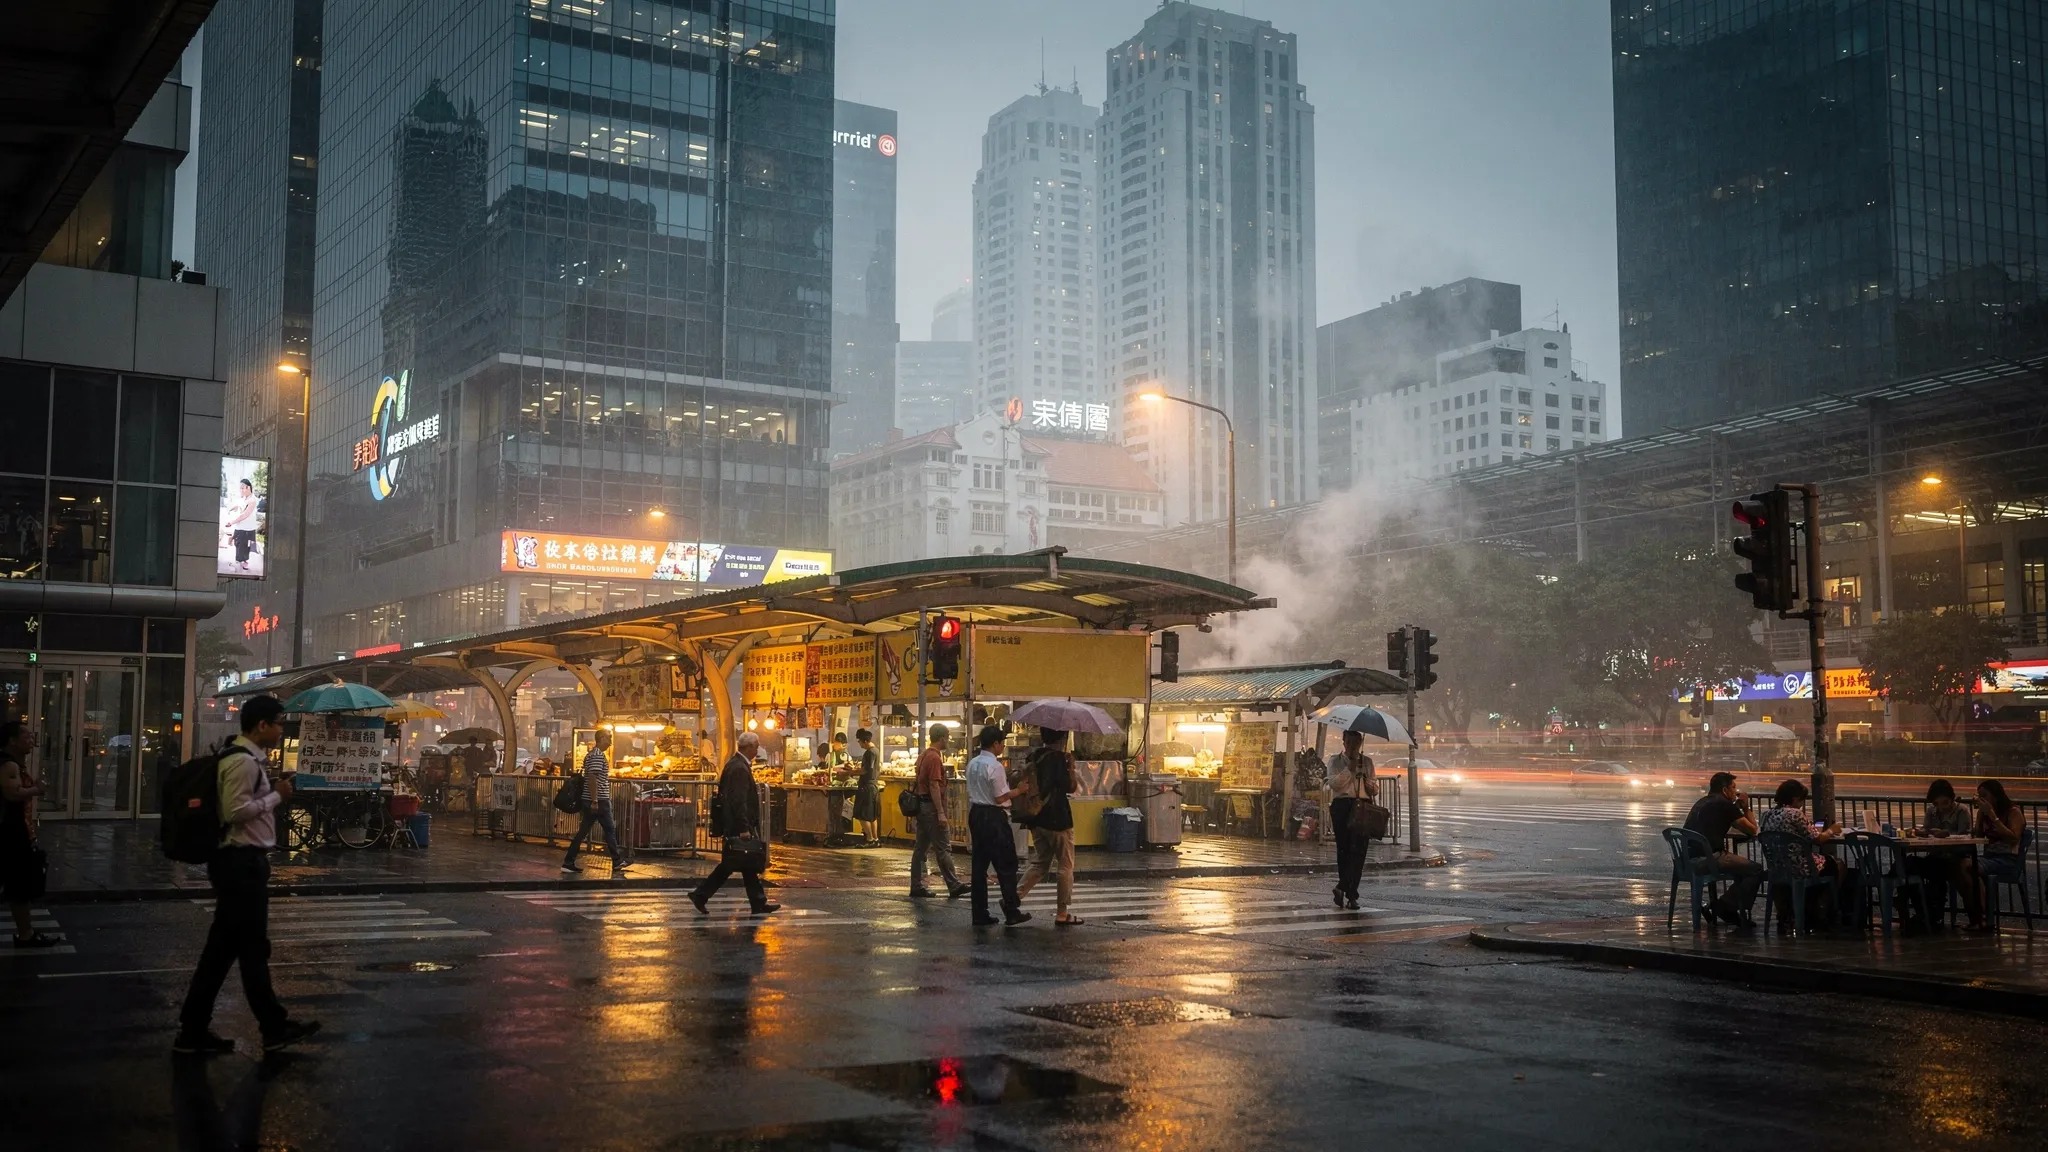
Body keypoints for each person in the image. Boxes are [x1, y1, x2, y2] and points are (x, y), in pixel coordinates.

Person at [176, 695, 320, 1055]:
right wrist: (278, 796)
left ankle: (194, 1030)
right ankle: (272, 1027)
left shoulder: (248, 759)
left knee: (225, 950)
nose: (281, 729)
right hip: (239, 865)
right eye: (278, 722)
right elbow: (235, 811)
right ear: (261, 726)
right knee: (249, 949)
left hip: (243, 864)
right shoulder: (242, 762)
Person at [689, 731, 778, 915]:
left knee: (747, 864)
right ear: (749, 747)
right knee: (732, 864)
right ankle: (701, 895)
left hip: (734, 822)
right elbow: (739, 800)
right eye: (756, 745)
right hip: (737, 824)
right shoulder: (738, 768)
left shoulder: (737, 764)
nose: (757, 749)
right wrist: (744, 827)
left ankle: (758, 902)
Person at [1756, 779, 1847, 930]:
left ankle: (1793, 913)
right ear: (1795, 798)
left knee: (1824, 864)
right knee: (1837, 865)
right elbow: (1817, 839)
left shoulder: (1766, 814)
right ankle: (1825, 910)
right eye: (1801, 800)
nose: (1802, 804)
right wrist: (1832, 830)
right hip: (1799, 867)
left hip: (1776, 868)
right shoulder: (1795, 814)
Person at [1015, 729, 1082, 925]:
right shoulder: (1061, 759)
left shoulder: (1034, 756)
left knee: (1041, 862)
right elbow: (1070, 787)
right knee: (1065, 865)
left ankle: (1014, 897)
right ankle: (1062, 913)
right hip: (1058, 819)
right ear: (1062, 738)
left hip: (1036, 818)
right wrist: (1071, 767)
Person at [1680, 771, 1763, 928]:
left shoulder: (1701, 802)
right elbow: (1752, 830)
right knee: (1755, 869)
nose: (1735, 792)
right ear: (1725, 790)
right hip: (1708, 858)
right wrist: (1746, 808)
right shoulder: (1724, 805)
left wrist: (1735, 808)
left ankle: (1724, 905)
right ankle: (1725, 907)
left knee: (1741, 867)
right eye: (1733, 788)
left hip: (1686, 858)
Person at [965, 725, 1029, 927]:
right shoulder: (995, 766)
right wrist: (1019, 790)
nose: (1002, 746)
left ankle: (979, 913)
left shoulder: (973, 763)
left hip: (976, 813)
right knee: (1006, 864)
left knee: (979, 865)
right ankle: (1011, 910)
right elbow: (1000, 797)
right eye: (1002, 742)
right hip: (993, 815)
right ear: (995, 744)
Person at [1, 720, 57, 948]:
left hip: (16, 831)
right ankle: (26, 934)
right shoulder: (8, 766)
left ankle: (26, 933)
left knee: (18, 887)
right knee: (18, 885)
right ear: (13, 740)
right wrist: (37, 790)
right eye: (27, 736)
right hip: (10, 833)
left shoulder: (15, 765)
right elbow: (13, 794)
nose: (32, 740)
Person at [909, 724, 967, 899]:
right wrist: (940, 812)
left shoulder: (923, 755)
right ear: (941, 738)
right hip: (931, 807)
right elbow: (934, 785)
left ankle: (916, 885)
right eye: (947, 737)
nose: (948, 741)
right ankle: (954, 884)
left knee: (920, 848)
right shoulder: (934, 758)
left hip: (922, 807)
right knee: (943, 847)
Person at [562, 729, 629, 875]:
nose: (611, 741)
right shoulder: (598, 756)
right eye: (609, 738)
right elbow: (592, 778)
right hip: (599, 799)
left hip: (593, 799)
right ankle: (617, 860)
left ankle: (568, 861)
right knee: (609, 830)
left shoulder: (591, 754)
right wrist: (595, 800)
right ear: (602, 738)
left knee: (583, 832)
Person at [1910, 779, 1975, 925]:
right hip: (1936, 855)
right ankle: (1923, 911)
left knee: (1935, 870)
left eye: (1945, 803)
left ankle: (1931, 913)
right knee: (1909, 866)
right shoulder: (1931, 812)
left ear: (1952, 799)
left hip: (1956, 856)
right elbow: (1927, 830)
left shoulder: (1961, 811)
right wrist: (1920, 833)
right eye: (1936, 804)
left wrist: (1947, 835)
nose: (1940, 808)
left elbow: (1967, 836)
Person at [1966, 778, 2028, 931]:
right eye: (1979, 796)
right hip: (1989, 858)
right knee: (1960, 867)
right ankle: (1979, 914)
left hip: (2007, 859)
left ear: (1995, 795)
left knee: (1969, 867)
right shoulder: (1985, 813)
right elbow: (1978, 835)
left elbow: (2013, 838)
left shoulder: (2013, 812)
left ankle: (1984, 915)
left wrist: (1993, 817)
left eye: (1984, 796)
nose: (1982, 800)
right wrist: (1980, 816)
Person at [1326, 732, 1377, 911]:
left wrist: (1367, 782)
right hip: (1342, 806)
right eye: (1349, 742)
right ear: (1344, 742)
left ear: (1361, 742)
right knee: (1344, 850)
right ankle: (1348, 892)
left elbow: (1374, 788)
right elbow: (1334, 784)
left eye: (1356, 742)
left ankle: (1346, 891)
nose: (1352, 746)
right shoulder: (1335, 761)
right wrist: (1350, 769)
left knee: (1359, 852)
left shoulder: (1368, 762)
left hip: (1362, 806)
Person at [851, 728, 882, 847]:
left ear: (864, 741)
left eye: (859, 741)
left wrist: (850, 772)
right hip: (873, 785)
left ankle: (869, 839)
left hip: (866, 787)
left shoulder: (870, 752)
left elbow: (865, 770)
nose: (859, 744)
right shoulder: (876, 751)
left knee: (861, 814)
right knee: (872, 815)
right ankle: (875, 839)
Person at [224, 477, 259, 571]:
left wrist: (231, 522)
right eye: (240, 488)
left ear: (248, 488)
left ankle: (245, 562)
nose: (241, 490)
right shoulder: (244, 498)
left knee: (244, 547)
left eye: (242, 488)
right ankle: (240, 560)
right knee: (238, 544)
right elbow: (238, 506)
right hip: (239, 527)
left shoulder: (252, 500)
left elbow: (245, 515)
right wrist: (231, 508)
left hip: (247, 529)